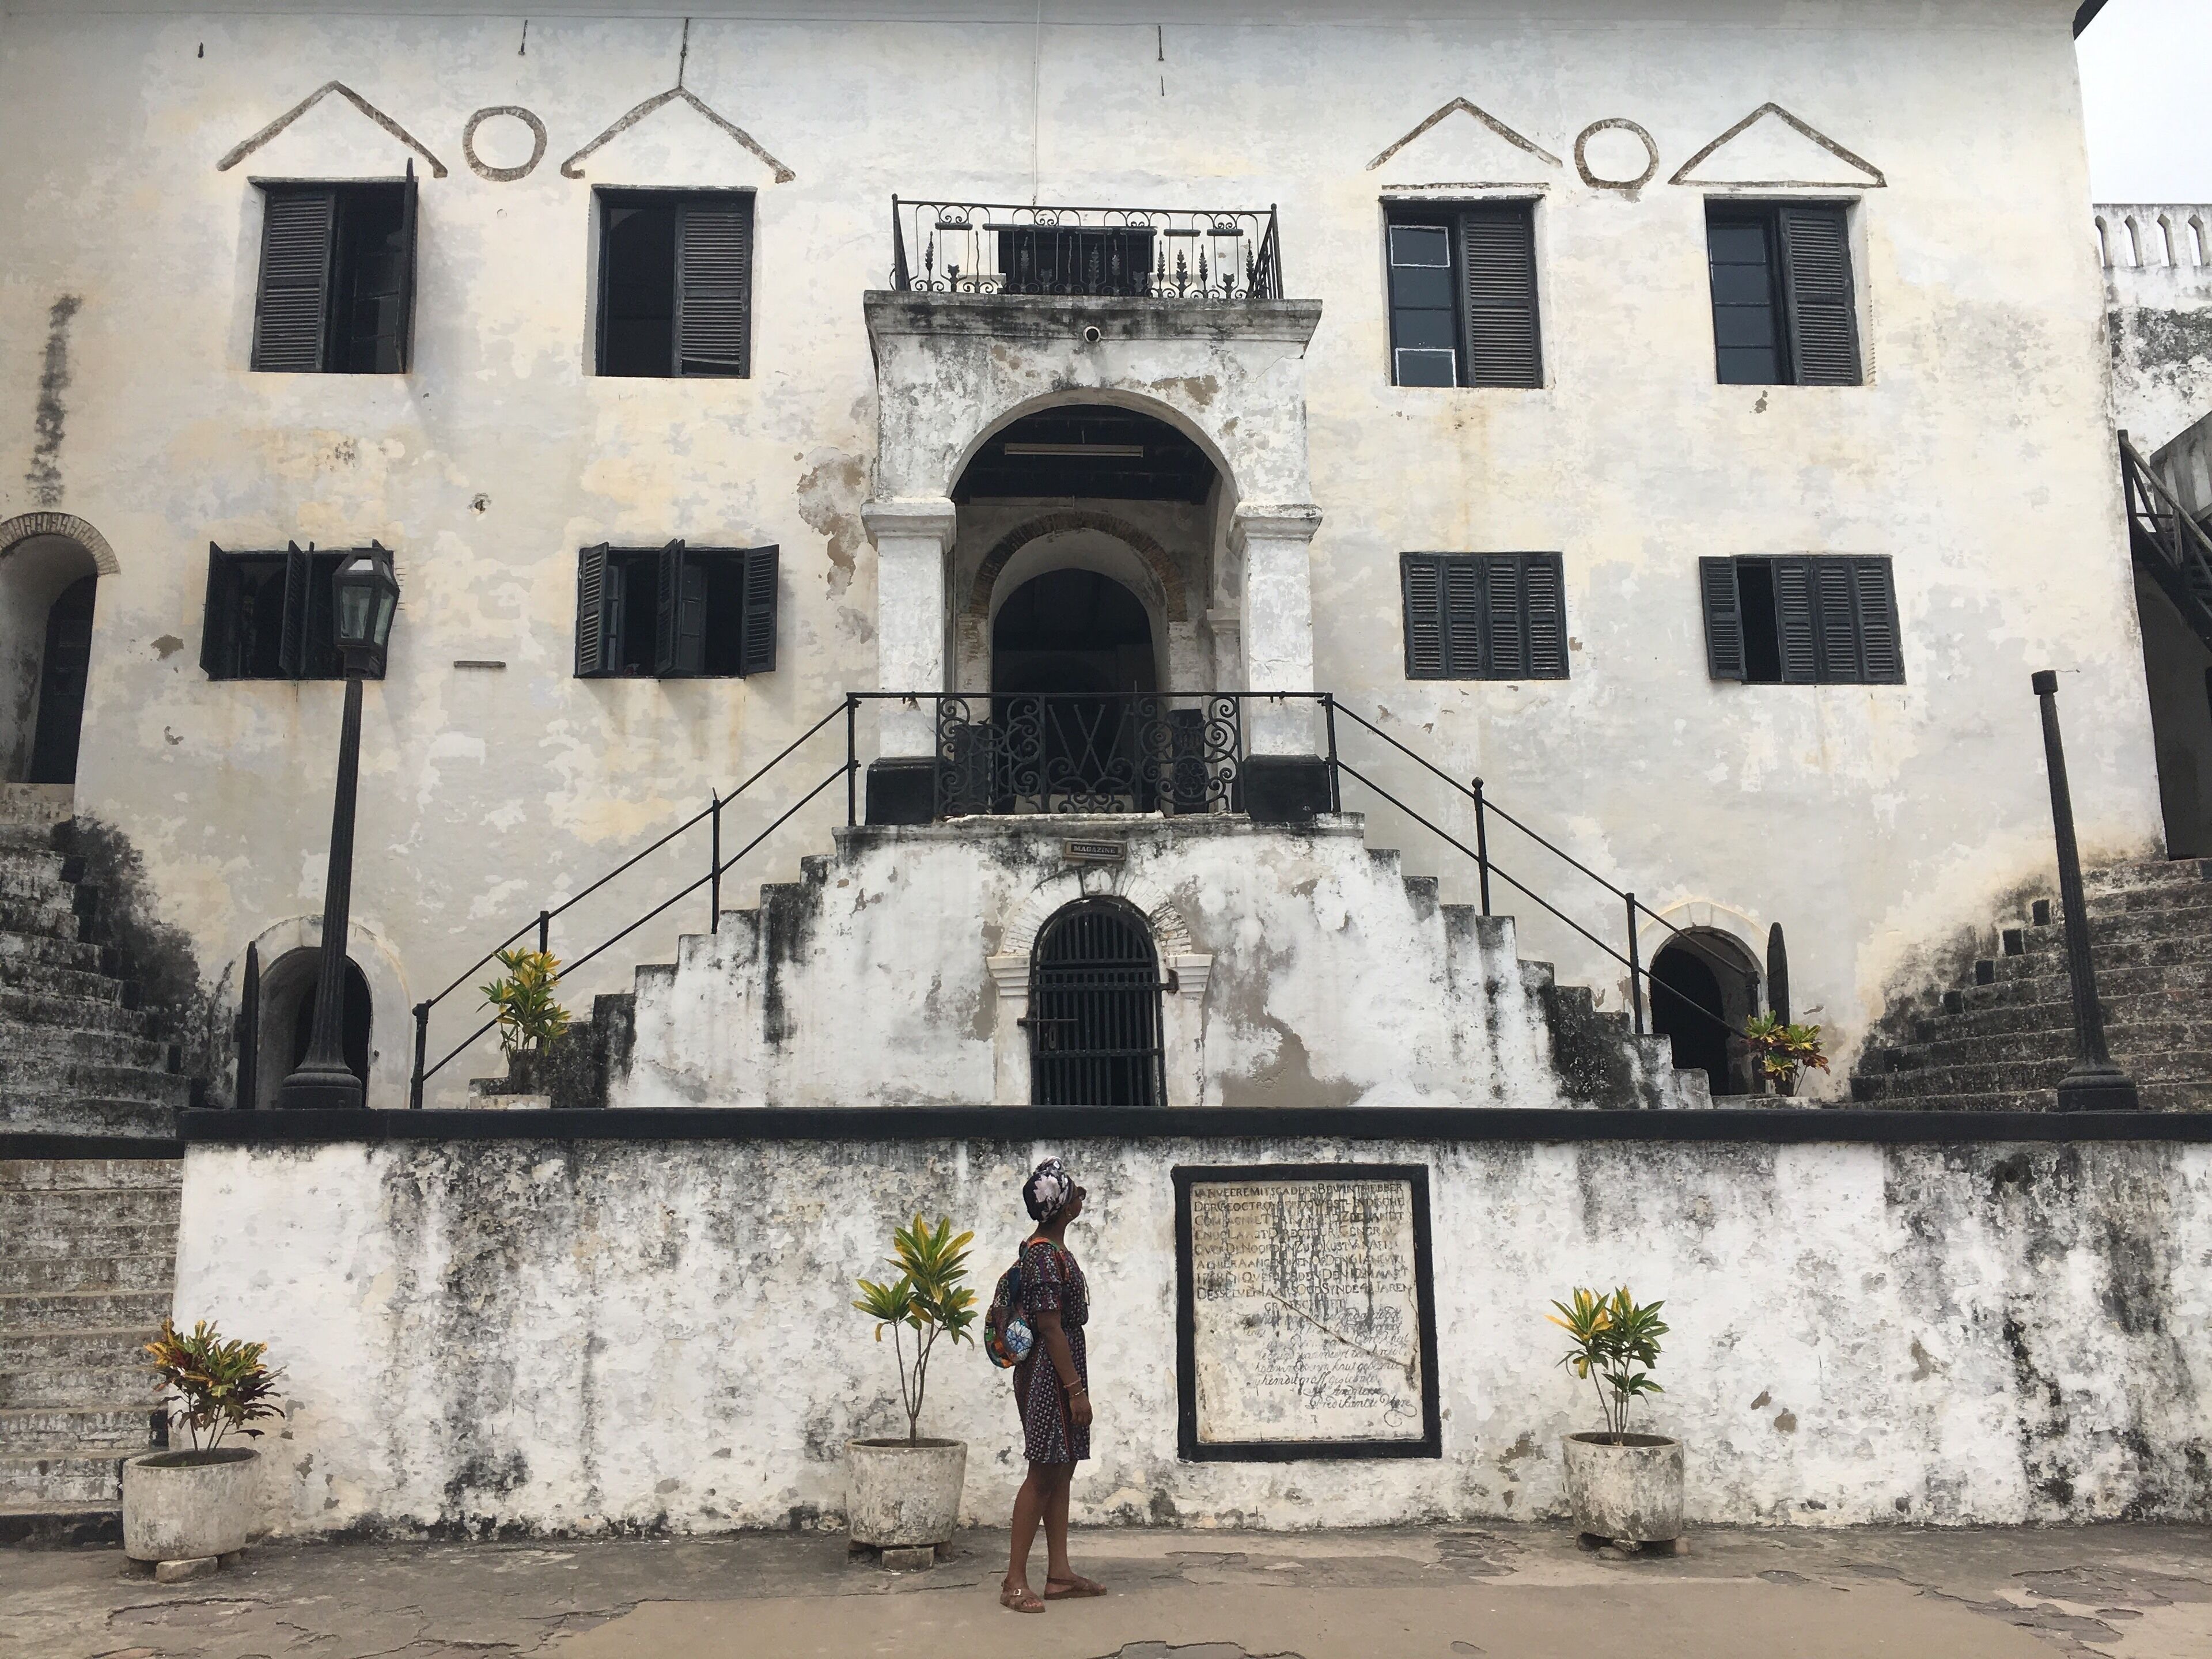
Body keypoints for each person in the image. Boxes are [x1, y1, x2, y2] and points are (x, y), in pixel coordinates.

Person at [1001, 1157, 1106, 1613]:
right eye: (1076, 1193)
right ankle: (1013, 1582)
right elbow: (1049, 1326)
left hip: (1060, 1367)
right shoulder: (1044, 1255)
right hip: (1049, 1371)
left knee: (1061, 1467)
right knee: (1043, 1470)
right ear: (1063, 1207)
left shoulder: (1053, 1251)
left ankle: (1059, 1574)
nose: (1082, 1197)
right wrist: (1075, 1390)